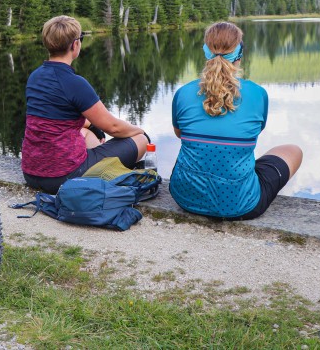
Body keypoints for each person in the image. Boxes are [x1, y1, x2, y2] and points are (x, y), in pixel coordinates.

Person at [170, 21, 303, 220]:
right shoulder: (258, 94)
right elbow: (255, 132)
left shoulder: (183, 93)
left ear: (206, 51)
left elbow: (180, 134)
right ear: (239, 53)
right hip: (240, 204)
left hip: (186, 198)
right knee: (293, 151)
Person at [21, 15, 149, 194]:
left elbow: (54, 120)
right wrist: (140, 131)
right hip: (63, 176)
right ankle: (100, 173)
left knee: (86, 132)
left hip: (31, 172)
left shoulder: (35, 76)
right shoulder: (75, 83)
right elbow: (113, 127)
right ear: (75, 45)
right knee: (141, 141)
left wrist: (93, 127)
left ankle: (97, 167)